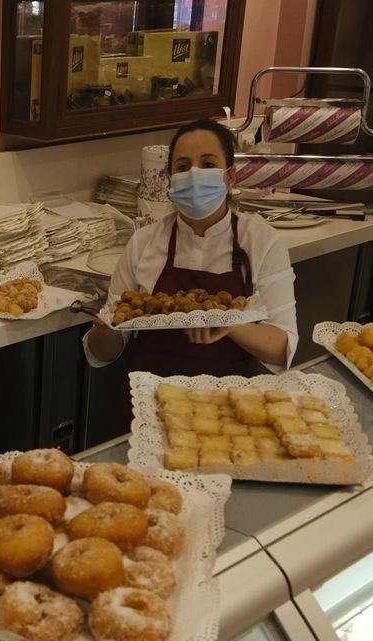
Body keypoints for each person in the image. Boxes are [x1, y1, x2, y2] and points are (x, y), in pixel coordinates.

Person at [84, 118, 299, 434]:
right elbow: (104, 352)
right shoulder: (145, 242)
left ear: (229, 178)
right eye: (182, 167)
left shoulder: (261, 241)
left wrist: (228, 323)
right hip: (150, 409)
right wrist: (105, 331)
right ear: (170, 178)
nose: (194, 175)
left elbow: (282, 345)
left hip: (232, 413)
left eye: (208, 164)